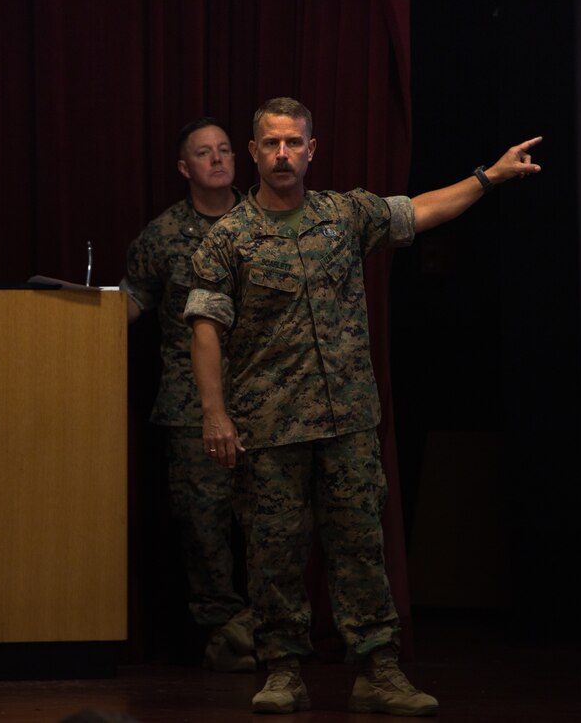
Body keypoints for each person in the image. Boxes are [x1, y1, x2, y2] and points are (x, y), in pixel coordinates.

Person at [184, 97, 541, 715]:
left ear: (312, 149)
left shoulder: (344, 215)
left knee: (359, 547)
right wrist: (215, 414)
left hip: (347, 421)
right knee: (274, 554)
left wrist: (490, 176)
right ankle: (283, 672)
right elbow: (205, 329)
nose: (283, 154)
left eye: (294, 142)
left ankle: (379, 670)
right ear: (253, 152)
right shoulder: (229, 239)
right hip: (269, 429)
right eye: (270, 144)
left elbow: (421, 211)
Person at [120, 117, 256, 672]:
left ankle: (268, 625)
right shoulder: (163, 235)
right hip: (188, 405)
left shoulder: (263, 221)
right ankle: (224, 631)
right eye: (204, 153)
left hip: (267, 397)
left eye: (225, 150)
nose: (218, 160)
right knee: (203, 522)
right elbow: (136, 298)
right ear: (185, 168)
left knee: (270, 517)